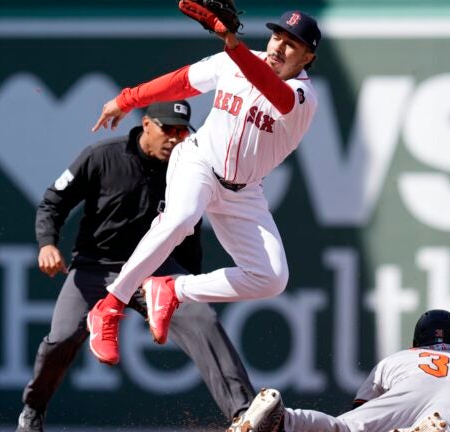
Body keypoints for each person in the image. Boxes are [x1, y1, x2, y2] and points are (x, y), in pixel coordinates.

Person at [86, 8, 322, 366]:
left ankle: (170, 289)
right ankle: (110, 306)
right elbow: (183, 82)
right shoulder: (236, 61)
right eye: (277, 37)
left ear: (308, 57)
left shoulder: (304, 96)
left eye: (292, 45)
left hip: (243, 191)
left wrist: (233, 45)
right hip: (198, 163)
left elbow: (276, 94)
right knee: (180, 220)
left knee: (272, 278)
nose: (279, 47)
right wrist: (128, 98)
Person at [16, 100, 255, 431]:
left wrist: (188, 283)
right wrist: (47, 244)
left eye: (181, 131)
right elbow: (54, 201)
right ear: (146, 125)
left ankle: (243, 413)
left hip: (155, 271)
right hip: (95, 266)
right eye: (167, 129)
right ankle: (33, 408)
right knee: (61, 338)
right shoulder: (102, 156)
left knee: (203, 318)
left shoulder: (187, 167)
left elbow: (189, 231)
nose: (174, 138)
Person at [231, 309, 450, 432]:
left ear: (415, 343)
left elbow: (360, 411)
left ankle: (284, 418)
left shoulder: (397, 359)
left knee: (345, 429)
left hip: (408, 387)